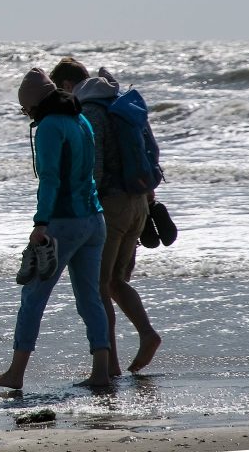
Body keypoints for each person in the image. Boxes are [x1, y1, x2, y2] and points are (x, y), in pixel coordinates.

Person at [0, 68, 110, 389]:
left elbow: (51, 179)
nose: (25, 114)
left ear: (34, 105)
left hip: (63, 222)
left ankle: (16, 373)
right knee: (90, 299)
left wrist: (41, 223)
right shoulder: (80, 119)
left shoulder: (50, 127)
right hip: (95, 219)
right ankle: (101, 371)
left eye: (24, 108)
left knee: (33, 296)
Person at [50, 57, 163, 376]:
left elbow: (94, 169)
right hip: (139, 202)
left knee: (99, 287)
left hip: (110, 207)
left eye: (61, 91)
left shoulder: (88, 112)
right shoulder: (119, 101)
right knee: (115, 281)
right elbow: (151, 151)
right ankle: (146, 333)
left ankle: (109, 366)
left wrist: (80, 210)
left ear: (69, 86)